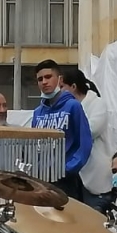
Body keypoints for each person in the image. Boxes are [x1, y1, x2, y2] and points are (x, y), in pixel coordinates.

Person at [30, 59, 92, 203]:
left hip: (66, 179)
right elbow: (33, 144)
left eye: (48, 77)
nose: (44, 82)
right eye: (40, 79)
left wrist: (68, 169)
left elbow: (85, 142)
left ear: (60, 79)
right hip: (43, 179)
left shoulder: (73, 106)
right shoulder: (37, 112)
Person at [62, 68, 112, 212]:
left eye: (62, 87)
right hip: (71, 172)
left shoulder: (97, 104)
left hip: (94, 172)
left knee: (94, 216)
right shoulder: (63, 108)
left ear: (73, 86)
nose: (58, 92)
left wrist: (66, 130)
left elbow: (90, 130)